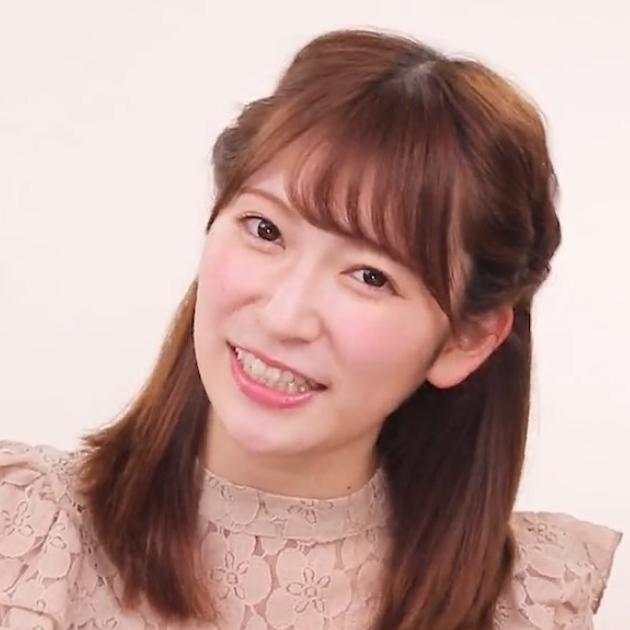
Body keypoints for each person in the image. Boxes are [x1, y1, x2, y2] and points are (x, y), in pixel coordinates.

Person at [0, 28, 622, 630]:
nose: (284, 316)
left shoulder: (527, 607)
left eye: (371, 276)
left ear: (467, 339)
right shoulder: (24, 539)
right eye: (265, 230)